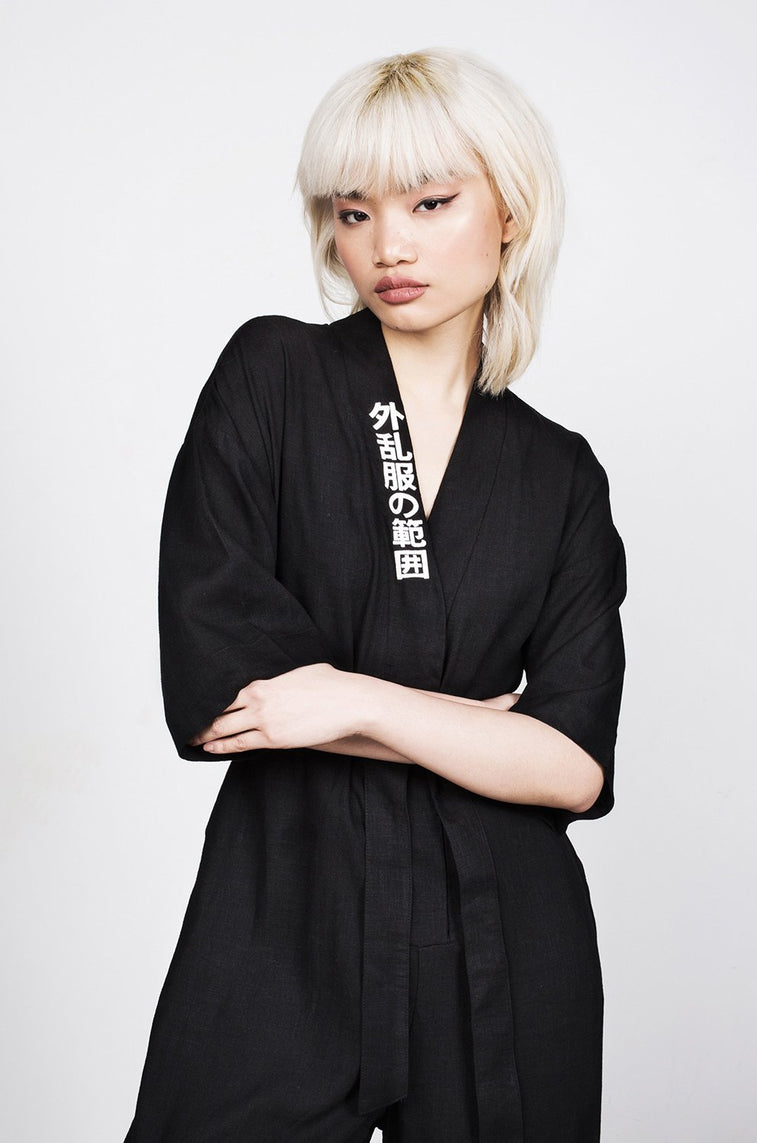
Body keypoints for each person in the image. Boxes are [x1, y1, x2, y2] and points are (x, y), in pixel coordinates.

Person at [125, 48, 626, 1143]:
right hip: (283, 913)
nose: (387, 245)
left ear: (510, 211)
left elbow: (573, 766)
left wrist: (354, 699)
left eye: (430, 202)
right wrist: (475, 732)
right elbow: (222, 700)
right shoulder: (272, 377)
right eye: (353, 213)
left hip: (503, 937)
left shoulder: (559, 473)